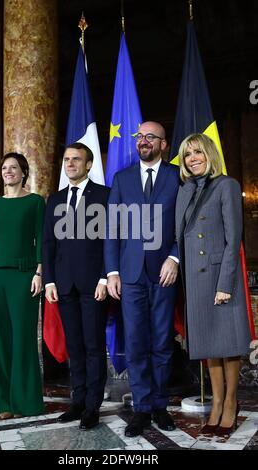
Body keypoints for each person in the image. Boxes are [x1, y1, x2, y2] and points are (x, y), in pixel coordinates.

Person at [105, 121, 180, 437]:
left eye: (151, 136)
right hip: (131, 274)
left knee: (162, 341)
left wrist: (175, 257)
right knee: (135, 343)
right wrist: (111, 272)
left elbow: (186, 223)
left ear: (163, 144)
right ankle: (142, 407)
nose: (143, 141)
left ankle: (160, 404)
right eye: (139, 136)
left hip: (164, 273)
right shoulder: (122, 180)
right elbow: (111, 229)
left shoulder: (177, 177)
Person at [175, 133, 251, 436]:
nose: (192, 159)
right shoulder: (185, 191)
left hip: (220, 277)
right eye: (187, 155)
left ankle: (231, 403)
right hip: (194, 279)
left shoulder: (227, 185)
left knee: (227, 345)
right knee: (209, 345)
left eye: (197, 152)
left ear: (209, 154)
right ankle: (216, 403)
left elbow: (234, 239)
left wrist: (226, 283)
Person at [43, 142, 109, 430]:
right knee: (75, 346)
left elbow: (111, 240)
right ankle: (78, 401)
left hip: (94, 283)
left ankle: (93, 406)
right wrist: (49, 280)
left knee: (94, 346)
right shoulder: (55, 199)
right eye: (67, 159)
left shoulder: (105, 196)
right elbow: (48, 243)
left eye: (76, 159)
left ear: (88, 164)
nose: (70, 164)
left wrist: (106, 277)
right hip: (64, 284)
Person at [0, 152, 45, 420]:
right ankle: (0, 402)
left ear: (23, 172)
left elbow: (41, 239)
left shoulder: (35, 202)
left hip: (24, 275)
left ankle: (24, 402)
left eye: (13, 167)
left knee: (23, 338)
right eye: (4, 168)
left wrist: (39, 272)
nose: (8, 171)